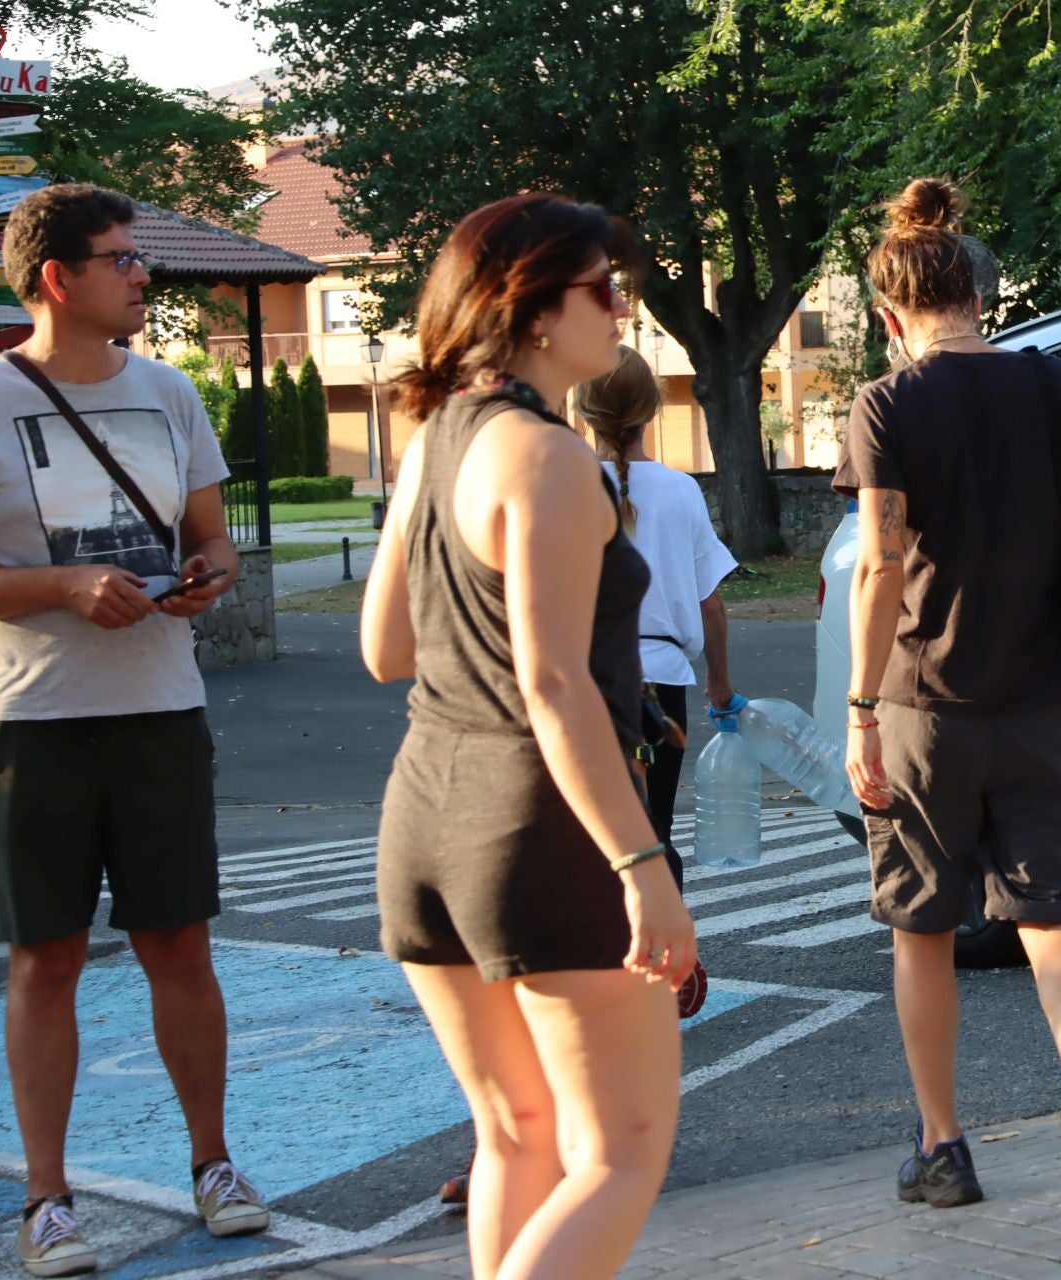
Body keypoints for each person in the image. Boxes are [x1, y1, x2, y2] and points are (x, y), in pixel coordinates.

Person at [361, 193, 696, 1280]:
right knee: (623, 1149)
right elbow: (556, 688)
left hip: (425, 814)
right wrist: (642, 865)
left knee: (517, 1128)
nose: (623, 311)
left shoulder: (434, 440)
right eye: (605, 288)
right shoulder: (548, 458)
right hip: (541, 826)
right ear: (534, 309)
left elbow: (386, 648)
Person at [836, 178, 1061, 1226]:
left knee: (921, 926)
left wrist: (861, 707)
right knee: (1056, 912)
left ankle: (944, 1144)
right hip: (1050, 694)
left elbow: (878, 563)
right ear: (979, 295)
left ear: (889, 314)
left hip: (928, 706)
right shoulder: (1055, 388)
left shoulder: (885, 404)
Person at [0, 183, 267, 1278]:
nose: (142, 275)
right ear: (58, 278)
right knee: (45, 956)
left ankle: (216, 1163)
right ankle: (49, 1199)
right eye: (121, 259)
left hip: (163, 709)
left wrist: (209, 573)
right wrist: (65, 582)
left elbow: (213, 536)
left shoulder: (170, 394)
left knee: (179, 944)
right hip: (35, 722)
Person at [576, 345, 738, 903]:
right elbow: (710, 604)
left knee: (589, 833)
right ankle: (666, 957)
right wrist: (719, 683)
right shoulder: (680, 490)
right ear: (652, 411)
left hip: (583, 680)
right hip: (663, 683)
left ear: (583, 410)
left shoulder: (560, 487)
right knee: (655, 830)